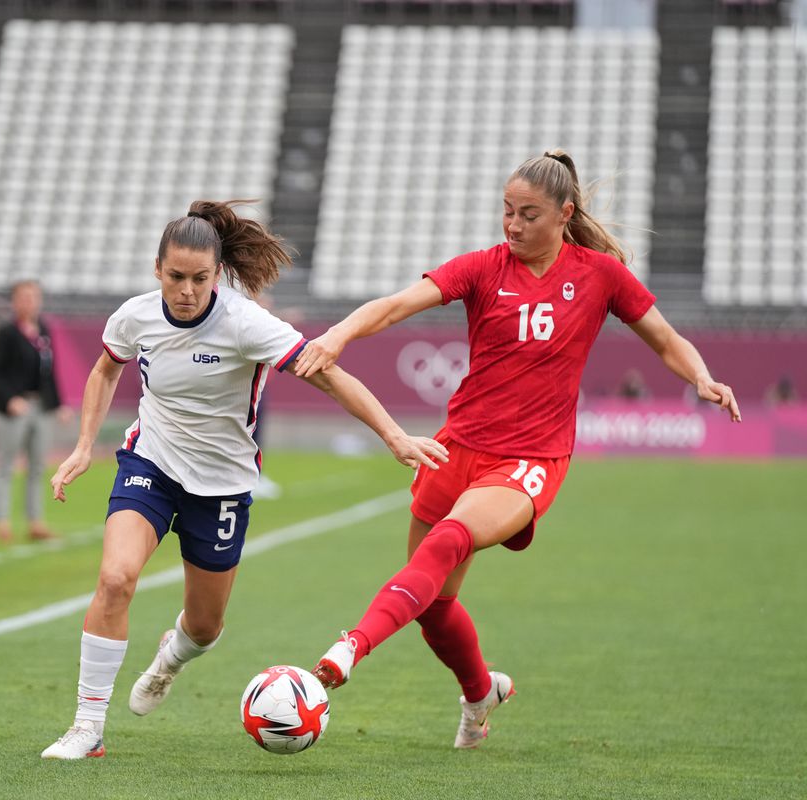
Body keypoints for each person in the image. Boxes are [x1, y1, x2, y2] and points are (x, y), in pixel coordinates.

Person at [293, 150, 741, 750]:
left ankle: (350, 647)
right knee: (434, 605)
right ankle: (481, 694)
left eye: (528, 214)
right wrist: (338, 334)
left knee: (448, 540)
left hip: (532, 458)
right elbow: (395, 305)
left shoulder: (600, 275)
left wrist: (701, 377)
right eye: (507, 211)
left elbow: (664, 338)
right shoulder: (483, 268)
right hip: (457, 448)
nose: (513, 224)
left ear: (565, 214)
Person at [39, 200, 449, 760]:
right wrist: (85, 446)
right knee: (115, 579)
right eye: (176, 277)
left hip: (222, 487)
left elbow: (328, 375)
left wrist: (394, 435)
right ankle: (87, 727)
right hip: (150, 464)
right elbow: (105, 368)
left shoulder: (244, 322)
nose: (187, 290)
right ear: (157, 269)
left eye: (200, 278)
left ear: (217, 273)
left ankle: (171, 657)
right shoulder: (134, 316)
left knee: (205, 627)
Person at [0, 280, 69, 543]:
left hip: (40, 406)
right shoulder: (7, 332)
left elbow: (49, 372)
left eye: (34, 296)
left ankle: (35, 521)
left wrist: (59, 404)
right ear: (14, 301)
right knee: (6, 465)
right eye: (24, 297)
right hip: (16, 408)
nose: (29, 302)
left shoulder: (43, 331)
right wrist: (10, 399)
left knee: (37, 467)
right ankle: (2, 521)